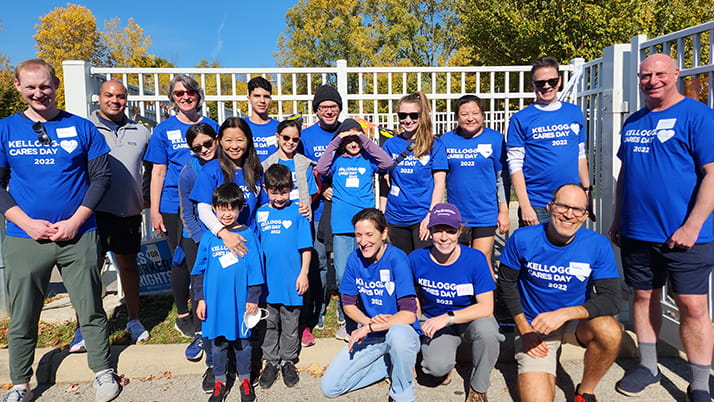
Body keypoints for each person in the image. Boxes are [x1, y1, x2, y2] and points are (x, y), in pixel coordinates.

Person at [0, 59, 119, 402]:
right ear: (18, 87)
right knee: (23, 314)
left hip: (78, 234)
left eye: (45, 85)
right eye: (31, 86)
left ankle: (102, 370)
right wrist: (25, 222)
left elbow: (101, 179)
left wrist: (75, 221)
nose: (40, 93)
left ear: (56, 85)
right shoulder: (6, 130)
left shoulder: (82, 128)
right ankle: (20, 383)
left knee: (91, 307)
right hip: (26, 237)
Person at [609, 54, 714, 402]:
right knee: (643, 296)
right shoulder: (635, 121)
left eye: (659, 74)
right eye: (645, 75)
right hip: (639, 231)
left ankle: (699, 382)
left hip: (686, 235)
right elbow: (626, 174)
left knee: (693, 306)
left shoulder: (698, 116)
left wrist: (692, 225)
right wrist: (618, 217)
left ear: (675, 75)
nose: (652, 80)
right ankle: (649, 366)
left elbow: (712, 174)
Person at [498, 184, 622, 402]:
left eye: (577, 210)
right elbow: (506, 285)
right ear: (549, 207)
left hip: (574, 322)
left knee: (610, 331)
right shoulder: (522, 238)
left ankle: (585, 392)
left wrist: (564, 314)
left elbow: (611, 300)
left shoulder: (597, 244)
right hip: (534, 327)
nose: (569, 214)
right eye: (562, 206)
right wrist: (525, 330)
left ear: (585, 216)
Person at [144, 74, 219, 337]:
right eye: (179, 94)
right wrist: (154, 210)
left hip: (208, 201)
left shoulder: (212, 126)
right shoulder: (164, 130)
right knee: (181, 259)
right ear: (173, 99)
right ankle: (183, 314)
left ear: (198, 95)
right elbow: (158, 172)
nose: (185, 97)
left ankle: (205, 306)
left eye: (190, 93)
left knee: (204, 257)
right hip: (173, 203)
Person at [321, 208, 420, 401]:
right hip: (372, 334)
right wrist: (368, 322)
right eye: (358, 235)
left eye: (369, 234)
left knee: (398, 336)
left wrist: (369, 327)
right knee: (330, 387)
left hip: (401, 333)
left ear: (384, 233)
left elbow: (409, 314)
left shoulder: (397, 258)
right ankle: (392, 365)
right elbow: (348, 303)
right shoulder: (354, 259)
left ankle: (402, 393)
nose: (363, 241)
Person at [409, 203, 502, 402]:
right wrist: (416, 323)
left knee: (488, 331)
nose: (444, 237)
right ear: (429, 230)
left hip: (470, 319)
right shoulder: (417, 258)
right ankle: (446, 360)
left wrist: (448, 318)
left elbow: (487, 307)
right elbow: (412, 295)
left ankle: (478, 387)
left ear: (459, 231)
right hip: (435, 321)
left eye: (450, 231)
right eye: (438, 230)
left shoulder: (475, 259)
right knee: (434, 368)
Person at [316, 119, 393, 341]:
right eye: (348, 138)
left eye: (356, 137)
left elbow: (387, 163)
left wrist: (364, 139)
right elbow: (320, 169)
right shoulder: (338, 161)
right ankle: (348, 317)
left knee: (366, 272)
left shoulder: (368, 160)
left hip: (367, 226)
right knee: (342, 274)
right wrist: (338, 140)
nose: (353, 141)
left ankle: (366, 315)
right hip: (341, 225)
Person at [88, 79, 152, 345]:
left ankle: (133, 320)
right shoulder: (85, 127)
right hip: (93, 212)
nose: (115, 100)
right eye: (109, 95)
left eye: (121, 96)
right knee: (90, 270)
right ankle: (87, 325)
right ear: (99, 98)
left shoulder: (141, 131)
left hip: (128, 212)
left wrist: (147, 196)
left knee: (128, 266)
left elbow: (152, 166)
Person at [192, 183, 264, 402]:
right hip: (214, 302)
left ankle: (244, 379)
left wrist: (253, 297)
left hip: (240, 302)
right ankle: (220, 380)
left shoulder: (248, 236)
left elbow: (256, 269)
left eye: (232, 208)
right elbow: (198, 271)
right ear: (214, 208)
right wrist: (200, 299)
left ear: (240, 209)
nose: (226, 213)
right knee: (218, 343)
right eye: (222, 208)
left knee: (243, 342)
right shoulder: (209, 237)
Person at [506, 56, 591, 226]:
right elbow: (514, 165)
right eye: (540, 83)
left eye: (551, 81)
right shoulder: (520, 119)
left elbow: (580, 155)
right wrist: (525, 205)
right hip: (537, 203)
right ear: (532, 85)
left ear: (559, 81)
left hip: (570, 203)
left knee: (570, 252)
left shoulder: (574, 112)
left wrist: (587, 192)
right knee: (535, 252)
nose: (546, 86)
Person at [262, 119, 319, 347]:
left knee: (303, 274)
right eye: (286, 138)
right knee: (279, 276)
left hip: (300, 223)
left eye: (295, 139)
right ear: (278, 137)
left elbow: (312, 193)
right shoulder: (267, 164)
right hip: (276, 228)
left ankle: (302, 325)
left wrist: (305, 206)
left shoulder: (304, 164)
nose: (290, 142)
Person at [257, 164, 312, 389]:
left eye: (284, 192)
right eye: (274, 192)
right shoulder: (260, 214)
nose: (279, 197)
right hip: (267, 283)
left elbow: (306, 247)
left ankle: (288, 361)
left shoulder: (298, 212)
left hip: (292, 281)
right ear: (265, 189)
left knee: (290, 323)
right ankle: (271, 362)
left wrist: (304, 274)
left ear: (291, 188)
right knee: (269, 324)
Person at [440, 95, 509, 271]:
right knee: (460, 261)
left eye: (475, 113)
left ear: (483, 115)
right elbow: (439, 177)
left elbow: (502, 178)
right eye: (464, 114)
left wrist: (504, 211)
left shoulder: (495, 138)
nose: (470, 118)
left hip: (485, 212)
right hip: (457, 214)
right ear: (457, 117)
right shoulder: (446, 141)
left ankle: (488, 298)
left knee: (481, 260)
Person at [177, 122, 219, 390]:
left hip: (230, 237)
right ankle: (201, 334)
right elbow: (187, 212)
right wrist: (201, 240)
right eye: (197, 147)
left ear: (216, 139)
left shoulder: (228, 163)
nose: (204, 149)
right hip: (202, 238)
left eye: (207, 143)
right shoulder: (188, 172)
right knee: (201, 287)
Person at [382, 91, 447, 254]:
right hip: (395, 217)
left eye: (413, 115)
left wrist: (431, 215)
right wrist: (383, 215)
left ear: (421, 116)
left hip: (422, 217)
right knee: (401, 267)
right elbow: (384, 181)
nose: (407, 120)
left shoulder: (434, 145)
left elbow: (440, 183)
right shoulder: (390, 144)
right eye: (402, 115)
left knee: (422, 267)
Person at [299, 84, 342, 334]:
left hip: (344, 209)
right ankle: (318, 305)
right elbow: (303, 169)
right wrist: (321, 186)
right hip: (316, 209)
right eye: (324, 107)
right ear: (316, 110)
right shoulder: (306, 136)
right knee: (319, 260)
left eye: (333, 107)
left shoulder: (347, 131)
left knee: (344, 257)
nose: (329, 111)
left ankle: (344, 305)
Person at [190, 117, 267, 250]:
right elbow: (203, 210)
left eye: (240, 140)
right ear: (219, 140)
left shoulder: (256, 169)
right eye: (228, 140)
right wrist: (224, 234)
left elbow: (265, 206)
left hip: (251, 241)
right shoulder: (211, 170)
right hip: (221, 243)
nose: (234, 146)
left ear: (248, 140)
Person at [245, 77, 279, 162]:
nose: (262, 100)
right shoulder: (241, 126)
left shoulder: (279, 127)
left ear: (270, 99)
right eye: (257, 96)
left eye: (266, 96)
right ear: (249, 99)